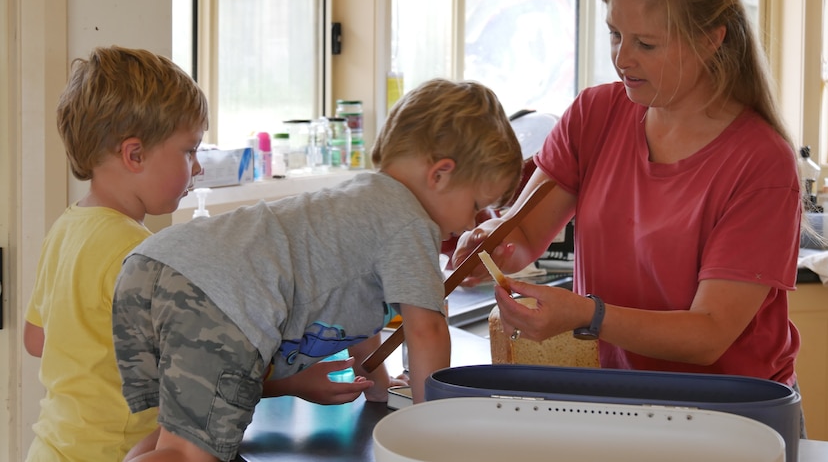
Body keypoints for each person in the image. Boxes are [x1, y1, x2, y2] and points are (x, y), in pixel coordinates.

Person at [455, 0, 803, 389]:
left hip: (732, 411)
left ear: (710, 39)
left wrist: (588, 314)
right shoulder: (594, 114)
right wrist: (490, 247)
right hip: (615, 394)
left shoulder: (761, 163)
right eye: (615, 34)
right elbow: (521, 234)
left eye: (647, 44)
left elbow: (709, 335)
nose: (622, 59)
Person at [112, 78, 523, 462]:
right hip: (217, 299)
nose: (472, 224)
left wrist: (377, 383)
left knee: (175, 439)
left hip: (153, 271)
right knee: (191, 455)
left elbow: (359, 311)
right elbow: (426, 329)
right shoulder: (411, 222)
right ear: (440, 174)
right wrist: (434, 433)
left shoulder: (360, 199)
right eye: (475, 206)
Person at [23, 46, 209, 461]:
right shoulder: (139, 254)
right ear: (135, 155)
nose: (197, 167)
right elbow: (196, 373)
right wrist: (293, 381)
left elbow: (36, 339)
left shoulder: (66, 228)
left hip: (52, 448)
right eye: (189, 150)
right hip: (115, 453)